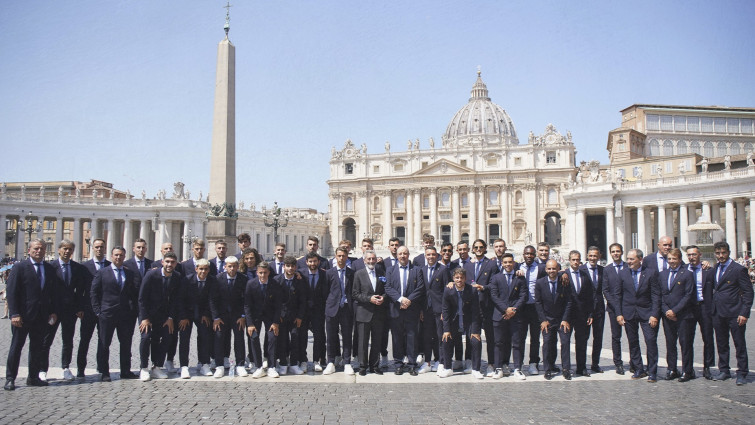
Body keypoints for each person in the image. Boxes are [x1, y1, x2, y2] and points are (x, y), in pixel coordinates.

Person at [4, 239, 60, 390]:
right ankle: (10, 378)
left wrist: (53, 311)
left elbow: (52, 293)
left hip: (41, 316)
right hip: (22, 316)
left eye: (42, 249)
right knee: (16, 347)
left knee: (37, 348)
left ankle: (33, 377)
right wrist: (14, 313)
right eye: (36, 248)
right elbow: (12, 292)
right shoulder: (19, 267)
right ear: (29, 250)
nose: (39, 251)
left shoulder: (49, 269)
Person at [90, 246, 140, 382]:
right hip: (107, 313)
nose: (118, 257)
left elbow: (133, 293)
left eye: (121, 255)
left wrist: (132, 309)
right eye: (116, 255)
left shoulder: (129, 273)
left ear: (124, 257)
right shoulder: (102, 272)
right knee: (104, 344)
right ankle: (104, 372)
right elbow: (94, 292)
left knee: (126, 344)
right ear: (111, 256)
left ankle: (125, 370)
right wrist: (98, 311)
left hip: (125, 315)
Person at [41, 239, 86, 382]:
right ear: (59, 249)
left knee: (68, 340)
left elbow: (80, 290)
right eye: (64, 249)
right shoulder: (49, 267)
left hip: (70, 310)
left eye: (70, 249)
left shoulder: (77, 268)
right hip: (53, 310)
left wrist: (79, 307)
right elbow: (46, 290)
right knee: (46, 340)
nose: (67, 252)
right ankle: (42, 369)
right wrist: (49, 310)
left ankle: (65, 367)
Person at [709, 241, 752, 386]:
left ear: (728, 252)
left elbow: (748, 292)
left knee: (739, 343)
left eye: (723, 253)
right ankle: (724, 370)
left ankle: (742, 372)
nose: (720, 256)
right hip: (718, 312)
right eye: (718, 253)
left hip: (735, 312)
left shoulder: (738, 269)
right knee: (721, 343)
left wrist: (744, 313)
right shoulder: (715, 268)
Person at [615, 249, 661, 383]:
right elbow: (618, 295)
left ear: (640, 259)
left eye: (631, 259)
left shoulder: (651, 273)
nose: (628, 261)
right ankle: (639, 368)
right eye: (628, 259)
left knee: (651, 341)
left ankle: (652, 371)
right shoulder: (623, 273)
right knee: (633, 342)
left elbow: (656, 295)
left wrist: (654, 314)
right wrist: (619, 314)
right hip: (629, 312)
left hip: (647, 313)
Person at [138, 252, 185, 381]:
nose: (170, 264)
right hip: (148, 314)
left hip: (164, 315)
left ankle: (157, 366)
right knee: (146, 338)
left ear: (176, 264)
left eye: (172, 262)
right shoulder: (151, 275)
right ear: (162, 262)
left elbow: (176, 299)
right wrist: (145, 318)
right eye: (167, 261)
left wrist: (170, 318)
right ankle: (143, 367)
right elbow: (142, 298)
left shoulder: (177, 277)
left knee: (167, 337)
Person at [384, 246, 425, 375]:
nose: (403, 256)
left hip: (412, 309)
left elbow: (420, 287)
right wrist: (401, 299)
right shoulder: (390, 270)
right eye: (400, 254)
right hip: (396, 309)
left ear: (409, 255)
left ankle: (412, 364)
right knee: (397, 338)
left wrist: (408, 300)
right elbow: (388, 287)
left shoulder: (416, 270)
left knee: (412, 337)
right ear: (397, 255)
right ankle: (398, 363)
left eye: (405, 254)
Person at [489, 253, 528, 379]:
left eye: (510, 262)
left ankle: (518, 368)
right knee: (498, 343)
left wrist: (514, 309)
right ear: (502, 263)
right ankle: (498, 368)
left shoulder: (520, 278)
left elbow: (523, 296)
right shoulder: (496, 278)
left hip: (516, 315)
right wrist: (506, 309)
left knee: (517, 343)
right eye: (505, 262)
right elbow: (494, 296)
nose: (507, 264)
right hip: (500, 314)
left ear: (514, 263)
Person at [438, 268, 483, 379]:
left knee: (476, 341)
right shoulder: (448, 290)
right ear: (453, 279)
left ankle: (476, 369)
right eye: (457, 278)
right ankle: (448, 368)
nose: (459, 280)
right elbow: (445, 310)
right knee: (446, 339)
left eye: (461, 278)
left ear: (465, 279)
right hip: (454, 321)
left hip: (468, 321)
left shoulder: (471, 290)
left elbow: (475, 311)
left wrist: (475, 330)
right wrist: (446, 329)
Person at [659, 248, 696, 382]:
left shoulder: (687, 274)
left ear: (680, 260)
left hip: (683, 315)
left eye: (674, 259)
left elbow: (688, 295)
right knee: (670, 344)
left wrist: (675, 310)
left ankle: (687, 370)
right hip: (667, 315)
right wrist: (666, 310)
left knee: (685, 344)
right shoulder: (663, 274)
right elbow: (661, 295)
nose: (671, 261)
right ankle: (672, 369)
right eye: (669, 259)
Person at [176, 259, 216, 379]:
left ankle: (204, 363)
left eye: (206, 269)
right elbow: (181, 299)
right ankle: (183, 366)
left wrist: (207, 314)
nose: (203, 271)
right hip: (187, 313)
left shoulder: (212, 281)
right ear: (196, 269)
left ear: (209, 270)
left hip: (203, 313)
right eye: (201, 269)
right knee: (184, 338)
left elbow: (212, 300)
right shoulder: (187, 280)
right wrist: (183, 317)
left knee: (205, 336)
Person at [535, 259, 573, 380]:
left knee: (565, 342)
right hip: (547, 319)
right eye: (549, 268)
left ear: (558, 269)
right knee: (547, 343)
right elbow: (538, 302)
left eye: (554, 268)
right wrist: (543, 320)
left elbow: (569, 301)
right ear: (546, 269)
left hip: (562, 318)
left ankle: (566, 368)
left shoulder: (564, 281)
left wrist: (565, 319)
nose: (551, 271)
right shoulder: (540, 283)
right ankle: (547, 368)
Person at [78, 238, 111, 379]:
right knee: (84, 340)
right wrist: (79, 307)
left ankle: (103, 368)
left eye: (102, 247)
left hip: (105, 310)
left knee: (104, 341)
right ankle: (80, 368)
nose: (99, 249)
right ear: (92, 248)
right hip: (88, 309)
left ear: (105, 248)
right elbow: (79, 290)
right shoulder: (84, 267)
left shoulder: (110, 265)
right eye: (97, 247)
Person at [210, 256, 248, 378]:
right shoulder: (217, 279)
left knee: (239, 340)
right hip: (222, 316)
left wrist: (243, 315)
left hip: (238, 316)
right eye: (229, 266)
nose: (232, 269)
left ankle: (240, 365)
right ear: (225, 267)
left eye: (234, 266)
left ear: (238, 266)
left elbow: (246, 300)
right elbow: (213, 299)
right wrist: (215, 317)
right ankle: (219, 365)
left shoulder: (243, 279)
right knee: (219, 338)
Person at [464, 239, 497, 376]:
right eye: (476, 247)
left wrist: (483, 287)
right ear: (472, 249)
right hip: (471, 307)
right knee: (471, 336)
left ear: (485, 248)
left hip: (487, 305)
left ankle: (491, 364)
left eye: (481, 247)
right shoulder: (468, 265)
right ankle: (471, 362)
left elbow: (495, 284)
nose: (478, 249)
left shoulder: (491, 264)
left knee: (490, 337)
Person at [351, 250, 387, 375]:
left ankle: (375, 365)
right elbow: (355, 294)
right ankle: (362, 366)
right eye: (369, 259)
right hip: (364, 312)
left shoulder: (381, 272)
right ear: (364, 261)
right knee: (362, 342)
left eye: (373, 259)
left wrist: (384, 297)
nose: (371, 261)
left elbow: (386, 289)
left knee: (377, 340)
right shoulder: (358, 274)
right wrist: (369, 299)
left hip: (378, 312)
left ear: (376, 260)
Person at [244, 261, 281, 378]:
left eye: (265, 273)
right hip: (255, 315)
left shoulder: (275, 284)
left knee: (272, 338)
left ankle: (271, 366)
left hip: (270, 315)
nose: (263, 275)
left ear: (269, 273)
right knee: (253, 337)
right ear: (257, 273)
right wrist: (249, 323)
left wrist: (275, 322)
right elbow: (247, 305)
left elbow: (278, 305)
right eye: (260, 273)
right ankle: (258, 366)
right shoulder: (251, 284)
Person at [323, 247, 356, 375]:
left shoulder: (351, 273)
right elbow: (325, 292)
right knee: (331, 336)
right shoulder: (329, 273)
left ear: (347, 257)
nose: (341, 258)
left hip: (347, 308)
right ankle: (331, 361)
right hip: (332, 308)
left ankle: (347, 361)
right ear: (335, 257)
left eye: (343, 256)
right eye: (339, 256)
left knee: (347, 336)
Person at [273, 255, 306, 375]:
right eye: (288, 266)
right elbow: (275, 301)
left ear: (295, 267)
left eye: (292, 266)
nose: (290, 268)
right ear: (283, 267)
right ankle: (282, 363)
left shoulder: (300, 281)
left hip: (295, 316)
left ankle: (293, 363)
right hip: (281, 316)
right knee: (282, 340)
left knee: (295, 339)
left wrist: (300, 316)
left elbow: (303, 300)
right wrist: (278, 315)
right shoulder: (277, 280)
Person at [417, 246, 448, 374]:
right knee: (427, 336)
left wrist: (444, 311)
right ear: (425, 256)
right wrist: (420, 310)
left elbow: (447, 291)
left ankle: (440, 361)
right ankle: (427, 361)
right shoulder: (421, 270)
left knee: (440, 336)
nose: (430, 257)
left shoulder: (443, 270)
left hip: (439, 308)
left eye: (433, 255)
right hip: (426, 308)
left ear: (437, 256)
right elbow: (421, 291)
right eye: (428, 254)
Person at [686, 245, 715, 379]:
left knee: (708, 338)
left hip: (704, 307)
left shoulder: (708, 270)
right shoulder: (684, 269)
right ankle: (688, 369)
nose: (691, 257)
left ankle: (707, 367)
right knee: (687, 339)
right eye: (689, 255)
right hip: (689, 308)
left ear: (700, 255)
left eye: (694, 254)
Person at [517, 245, 546, 375]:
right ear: (523, 254)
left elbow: (551, 277)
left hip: (535, 306)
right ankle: (519, 364)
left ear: (535, 255)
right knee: (520, 337)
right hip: (521, 307)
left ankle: (534, 362)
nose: (529, 256)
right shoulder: (517, 267)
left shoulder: (541, 268)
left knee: (535, 337)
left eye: (531, 254)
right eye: (527, 254)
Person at [564, 250, 594, 377]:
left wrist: (590, 314)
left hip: (582, 314)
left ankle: (581, 367)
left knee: (581, 342)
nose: (576, 262)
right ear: (569, 260)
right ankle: (566, 368)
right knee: (565, 342)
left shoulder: (585, 275)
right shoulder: (563, 275)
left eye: (578, 260)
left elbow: (590, 296)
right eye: (573, 260)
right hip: (567, 315)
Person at [603, 243, 628, 374]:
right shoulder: (607, 270)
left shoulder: (628, 267)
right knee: (616, 336)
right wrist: (617, 308)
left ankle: (635, 362)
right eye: (613, 251)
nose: (615, 253)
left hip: (628, 307)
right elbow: (606, 291)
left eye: (618, 251)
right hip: (613, 308)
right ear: (610, 253)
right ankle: (618, 363)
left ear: (622, 252)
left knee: (632, 336)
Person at [580, 246, 605, 373]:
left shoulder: (602, 270)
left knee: (598, 338)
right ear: (587, 256)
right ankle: (582, 364)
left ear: (599, 256)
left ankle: (595, 363)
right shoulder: (580, 270)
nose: (593, 258)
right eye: (590, 256)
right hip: (585, 310)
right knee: (583, 338)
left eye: (595, 256)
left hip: (599, 308)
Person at [302, 252, 328, 372]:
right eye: (310, 261)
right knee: (302, 336)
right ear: (307, 262)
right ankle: (303, 360)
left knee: (319, 336)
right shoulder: (301, 274)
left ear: (318, 262)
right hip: (304, 311)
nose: (313, 264)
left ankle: (317, 360)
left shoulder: (324, 274)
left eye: (315, 261)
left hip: (319, 310)